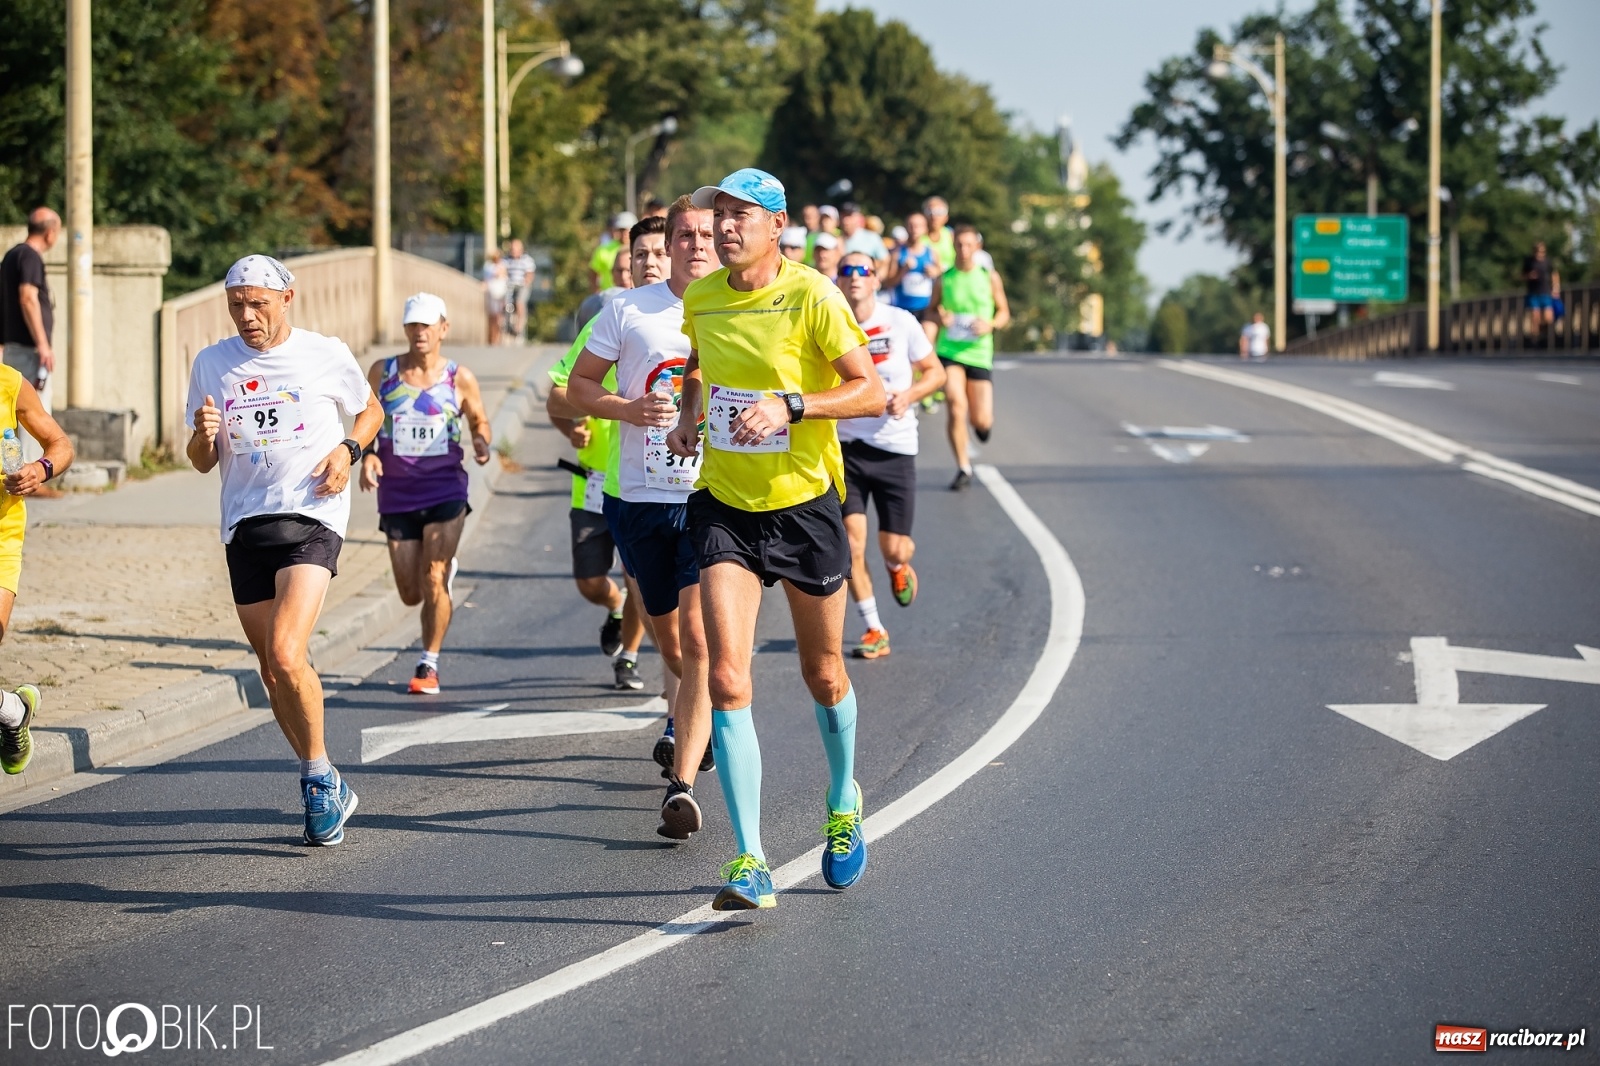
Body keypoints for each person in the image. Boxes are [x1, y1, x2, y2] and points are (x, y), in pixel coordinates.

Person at [667, 168, 884, 910]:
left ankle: (843, 799)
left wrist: (791, 405)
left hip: (804, 506)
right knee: (728, 676)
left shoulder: (814, 295)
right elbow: (699, 362)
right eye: (718, 215)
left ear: (777, 224)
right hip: (725, 503)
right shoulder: (701, 296)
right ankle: (751, 859)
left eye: (740, 215)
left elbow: (870, 390)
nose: (724, 228)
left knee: (824, 673)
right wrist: (688, 415)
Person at [185, 255, 383, 846]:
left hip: (313, 514)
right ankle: (325, 775)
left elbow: (371, 409)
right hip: (245, 524)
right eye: (236, 305)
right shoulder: (212, 362)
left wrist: (348, 450)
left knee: (286, 651)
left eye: (258, 304)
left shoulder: (324, 352)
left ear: (287, 298)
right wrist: (202, 435)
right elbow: (201, 461)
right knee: (272, 670)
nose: (247, 316)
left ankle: (316, 779)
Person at [569, 197, 721, 839]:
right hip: (637, 496)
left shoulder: (738, 307)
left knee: (700, 641)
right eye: (684, 235)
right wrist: (628, 411)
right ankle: (702, 716)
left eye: (705, 234)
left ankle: (680, 784)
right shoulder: (627, 309)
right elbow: (578, 387)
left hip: (710, 498)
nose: (695, 244)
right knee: (674, 646)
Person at [359, 293, 492, 695]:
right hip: (397, 494)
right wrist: (368, 454)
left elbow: (479, 418)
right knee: (410, 592)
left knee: (434, 575)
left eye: (427, 325)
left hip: (445, 488)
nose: (419, 332)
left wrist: (481, 440)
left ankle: (428, 664)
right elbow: (365, 419)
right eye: (412, 325)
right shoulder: (383, 372)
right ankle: (440, 578)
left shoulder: (458, 377)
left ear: (443, 329)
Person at [834, 252, 944, 660]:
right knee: (851, 544)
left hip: (895, 449)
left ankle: (897, 568)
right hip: (847, 449)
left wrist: (909, 395)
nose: (854, 277)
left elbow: (936, 372)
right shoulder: (830, 323)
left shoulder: (901, 321)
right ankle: (874, 628)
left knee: (895, 548)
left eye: (863, 270)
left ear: (876, 280)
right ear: (838, 281)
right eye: (846, 271)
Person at [547, 253, 647, 694]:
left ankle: (629, 656)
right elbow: (557, 397)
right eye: (636, 259)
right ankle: (615, 606)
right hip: (590, 481)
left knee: (638, 578)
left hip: (640, 480)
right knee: (589, 581)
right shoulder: (601, 324)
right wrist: (572, 427)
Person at [0, 358, 74, 775]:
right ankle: (13, 711)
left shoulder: (9, 384)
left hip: (1, 538)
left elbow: (60, 444)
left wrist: (38, 470)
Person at [924, 224, 1010, 491]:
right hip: (950, 350)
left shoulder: (989, 277)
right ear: (953, 247)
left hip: (979, 353)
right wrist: (940, 316)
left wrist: (991, 324)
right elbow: (931, 311)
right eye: (959, 245)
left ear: (977, 247)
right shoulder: (944, 279)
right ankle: (963, 467)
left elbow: (1004, 312)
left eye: (968, 245)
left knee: (981, 419)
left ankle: (982, 426)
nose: (963, 250)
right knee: (956, 404)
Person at [1, 208, 58, 398]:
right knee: (34, 412)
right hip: (28, 353)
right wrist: (43, 345)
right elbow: (27, 298)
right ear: (50, 233)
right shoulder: (30, 256)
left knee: (14, 411)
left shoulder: (11, 256)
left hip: (13, 350)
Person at [889, 212, 940, 313]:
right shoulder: (897, 253)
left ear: (925, 229)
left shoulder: (932, 253)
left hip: (925, 310)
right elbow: (889, 283)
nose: (914, 229)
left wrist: (935, 273)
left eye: (918, 226)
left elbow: (941, 278)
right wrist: (903, 271)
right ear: (906, 228)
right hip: (902, 308)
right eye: (911, 225)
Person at [576, 247, 632, 331]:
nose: (623, 277)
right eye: (619, 271)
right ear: (612, 273)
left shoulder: (649, 305)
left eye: (629, 270)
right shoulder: (590, 305)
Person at [589, 212, 637, 293]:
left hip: (635, 294)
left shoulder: (641, 249)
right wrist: (598, 293)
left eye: (627, 230)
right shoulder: (603, 250)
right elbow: (593, 274)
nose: (624, 233)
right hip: (609, 295)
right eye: (621, 230)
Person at [840, 203, 889, 276]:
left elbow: (885, 261)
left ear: (857, 217)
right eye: (843, 215)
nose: (845, 220)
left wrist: (876, 279)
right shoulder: (834, 239)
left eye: (849, 216)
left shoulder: (872, 237)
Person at [503, 239, 536, 343]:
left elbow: (530, 274)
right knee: (504, 303)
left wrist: (526, 281)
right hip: (509, 285)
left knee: (519, 302)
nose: (513, 251)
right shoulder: (506, 260)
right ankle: (506, 325)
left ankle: (519, 327)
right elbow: (502, 271)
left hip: (522, 285)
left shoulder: (527, 260)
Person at [1524, 242, 1557, 340]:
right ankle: (1535, 339)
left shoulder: (1548, 261)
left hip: (1546, 291)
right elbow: (1521, 275)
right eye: (1538, 251)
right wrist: (1529, 276)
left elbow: (1554, 274)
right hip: (1533, 292)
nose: (1540, 253)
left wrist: (1556, 287)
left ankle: (1545, 335)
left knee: (1548, 317)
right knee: (1535, 316)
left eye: (1542, 251)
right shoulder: (1529, 262)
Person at [481, 249, 507, 346]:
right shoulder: (488, 266)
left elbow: (503, 275)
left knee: (498, 317)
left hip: (500, 294)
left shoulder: (503, 265)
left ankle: (497, 337)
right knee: (492, 316)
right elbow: (486, 279)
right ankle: (492, 337)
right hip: (491, 293)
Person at [924, 196, 956, 271]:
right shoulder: (917, 237)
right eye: (930, 212)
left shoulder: (952, 236)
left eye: (939, 212)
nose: (934, 217)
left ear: (946, 217)